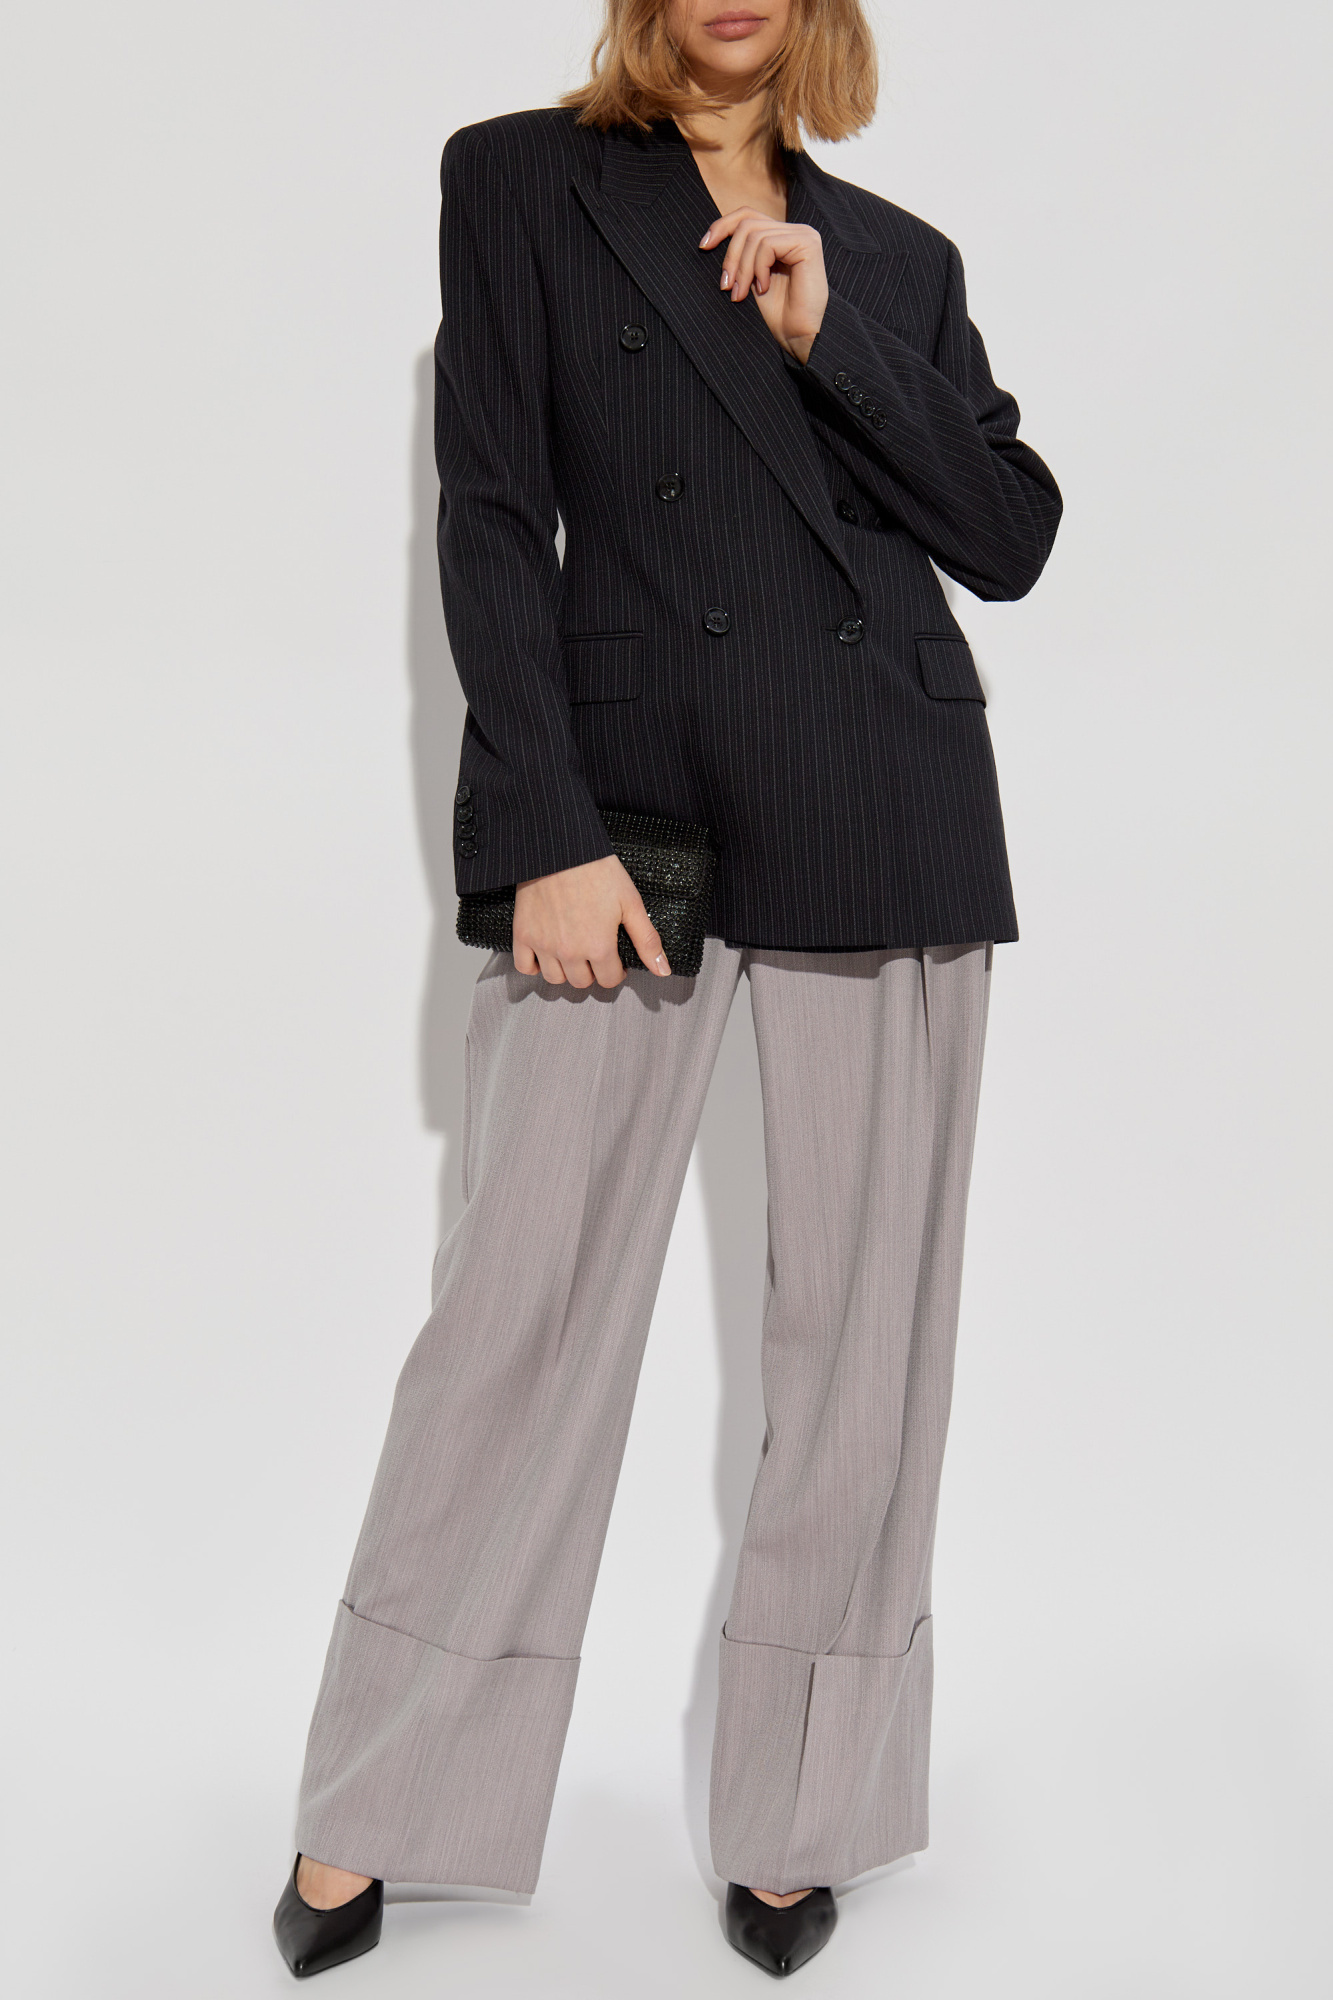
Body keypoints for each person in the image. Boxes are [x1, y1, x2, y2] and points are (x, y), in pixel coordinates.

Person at [272, 0, 1061, 1980]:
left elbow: (1008, 535)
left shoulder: (891, 256)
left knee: (860, 1346)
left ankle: (804, 1815)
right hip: (625, 816)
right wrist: (541, 823)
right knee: (516, 1316)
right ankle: (381, 1797)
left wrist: (829, 336)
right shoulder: (521, 180)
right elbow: (487, 510)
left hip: (880, 795)